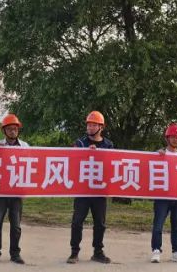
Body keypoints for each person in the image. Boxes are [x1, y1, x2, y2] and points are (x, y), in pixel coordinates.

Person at [69, 111, 114, 265]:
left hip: (99, 190)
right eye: (88, 124)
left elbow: (111, 166)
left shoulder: (108, 145)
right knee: (77, 222)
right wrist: (84, 154)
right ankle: (74, 252)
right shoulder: (80, 143)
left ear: (101, 127)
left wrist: (99, 154)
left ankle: (98, 252)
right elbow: (72, 161)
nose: (90, 127)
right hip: (82, 190)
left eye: (93, 124)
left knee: (100, 223)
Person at [0, 114, 28, 265]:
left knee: (16, 226)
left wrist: (25, 190)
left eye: (15, 129)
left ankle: (15, 253)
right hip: (0, 192)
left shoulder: (24, 146)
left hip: (16, 192)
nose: (13, 131)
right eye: (10, 129)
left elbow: (29, 169)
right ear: (3, 131)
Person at [150, 123, 177, 264]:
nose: (175, 139)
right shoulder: (160, 154)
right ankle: (156, 250)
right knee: (158, 224)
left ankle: (176, 252)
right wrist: (157, 156)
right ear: (167, 138)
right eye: (173, 136)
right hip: (162, 197)